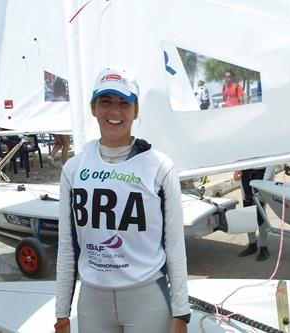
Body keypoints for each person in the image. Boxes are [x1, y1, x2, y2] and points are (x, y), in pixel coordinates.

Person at [55, 67, 190, 333]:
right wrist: (62, 312)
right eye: (106, 102)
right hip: (93, 302)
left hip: (147, 298)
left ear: (136, 111)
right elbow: (67, 246)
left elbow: (174, 243)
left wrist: (181, 312)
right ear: (93, 108)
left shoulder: (159, 166)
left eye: (124, 103)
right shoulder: (73, 169)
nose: (115, 112)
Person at [233, 166, 276, 261]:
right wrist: (236, 169)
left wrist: (264, 180)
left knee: (260, 213)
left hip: (263, 172)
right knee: (248, 211)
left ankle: (264, 248)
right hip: (247, 171)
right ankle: (252, 245)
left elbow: (272, 160)